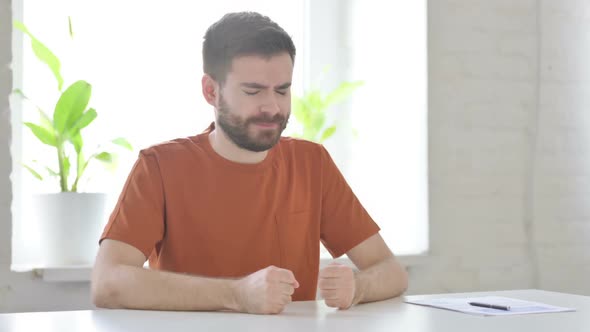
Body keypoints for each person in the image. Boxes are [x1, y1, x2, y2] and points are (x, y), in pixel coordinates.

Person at [91, 11, 408, 315]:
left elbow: (391, 271)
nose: (272, 107)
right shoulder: (159, 166)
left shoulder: (312, 163)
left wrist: (358, 287)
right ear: (211, 91)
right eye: (253, 91)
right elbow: (107, 283)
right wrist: (236, 295)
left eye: (282, 90)